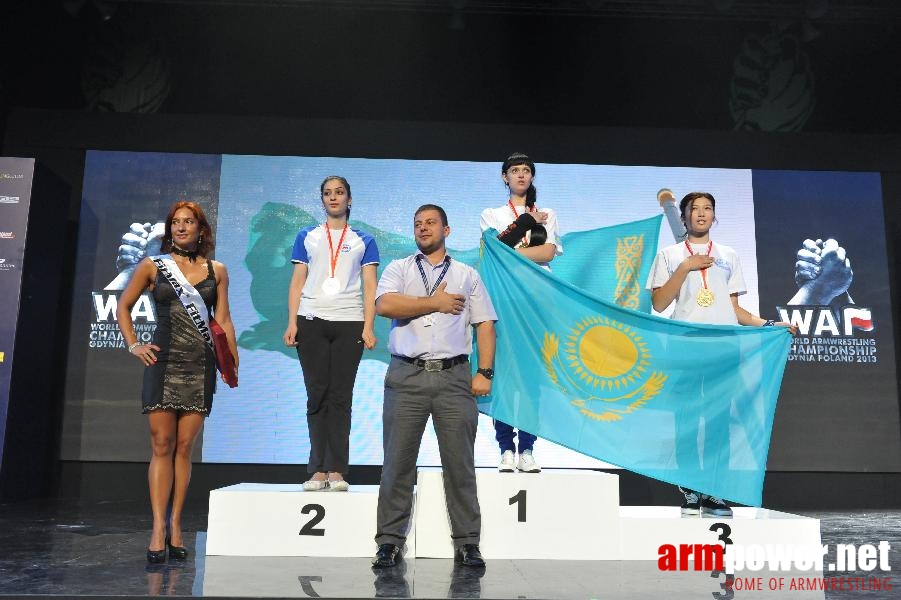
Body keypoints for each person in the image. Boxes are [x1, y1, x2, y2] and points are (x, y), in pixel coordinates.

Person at [646, 191, 795, 518]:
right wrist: (686, 267)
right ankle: (689, 489)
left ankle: (714, 490)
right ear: (683, 217)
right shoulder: (670, 255)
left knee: (718, 421)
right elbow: (658, 304)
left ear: (714, 216)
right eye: (694, 209)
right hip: (686, 345)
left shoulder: (728, 255)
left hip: (723, 347)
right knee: (685, 420)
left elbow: (734, 309)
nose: (701, 214)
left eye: (707, 209)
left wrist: (770, 324)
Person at [372, 204, 496, 569]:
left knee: (460, 464)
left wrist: (484, 372)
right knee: (397, 463)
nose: (423, 229)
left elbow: (485, 324)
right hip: (406, 376)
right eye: (417, 224)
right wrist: (435, 303)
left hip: (454, 377)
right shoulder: (399, 268)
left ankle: (468, 542)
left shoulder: (466, 275)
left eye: (430, 223)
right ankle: (389, 542)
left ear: (447, 230)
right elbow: (385, 305)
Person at [116, 201, 238, 563]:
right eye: (176, 223)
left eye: (189, 222)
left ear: (202, 229)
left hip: (200, 365)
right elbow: (123, 306)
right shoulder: (153, 266)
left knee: (184, 448)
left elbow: (224, 319)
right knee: (161, 444)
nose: (182, 227)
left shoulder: (217, 270)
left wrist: (231, 360)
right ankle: (157, 528)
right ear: (170, 230)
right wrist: (134, 344)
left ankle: (176, 526)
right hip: (164, 360)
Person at [283, 176, 379, 492]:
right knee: (316, 394)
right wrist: (291, 322)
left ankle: (336, 469)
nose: (333, 197)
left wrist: (368, 326)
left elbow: (369, 286)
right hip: (310, 321)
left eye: (339, 193)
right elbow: (298, 281)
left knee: (340, 397)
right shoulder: (307, 237)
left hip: (349, 322)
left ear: (349, 199)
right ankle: (316, 469)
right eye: (327, 193)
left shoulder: (365, 239)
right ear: (322, 200)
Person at [479, 152, 561, 474]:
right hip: (503, 297)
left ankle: (527, 447)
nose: (521, 176)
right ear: (505, 177)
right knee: (504, 370)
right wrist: (526, 224)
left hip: (537, 298)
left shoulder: (548, 213)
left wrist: (513, 252)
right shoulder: (491, 213)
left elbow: (548, 251)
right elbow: (494, 248)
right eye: (515, 171)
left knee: (531, 373)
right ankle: (505, 447)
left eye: (527, 171)